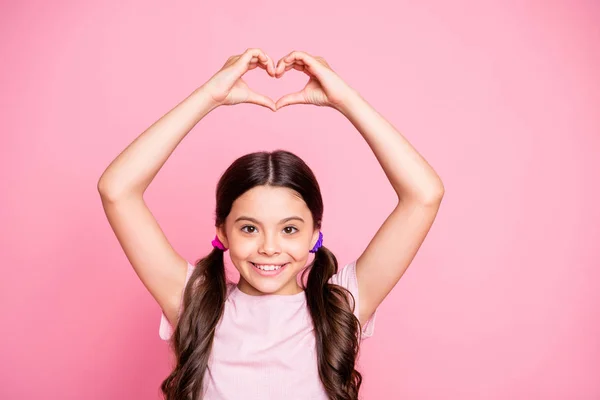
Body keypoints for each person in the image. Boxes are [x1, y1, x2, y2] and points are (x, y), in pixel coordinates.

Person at [98, 48, 445, 400]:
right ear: (222, 231)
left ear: (314, 233)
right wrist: (208, 97)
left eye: (289, 229)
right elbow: (117, 190)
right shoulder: (197, 304)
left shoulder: (341, 305)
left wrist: (346, 100)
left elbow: (424, 194)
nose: (269, 247)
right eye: (249, 228)